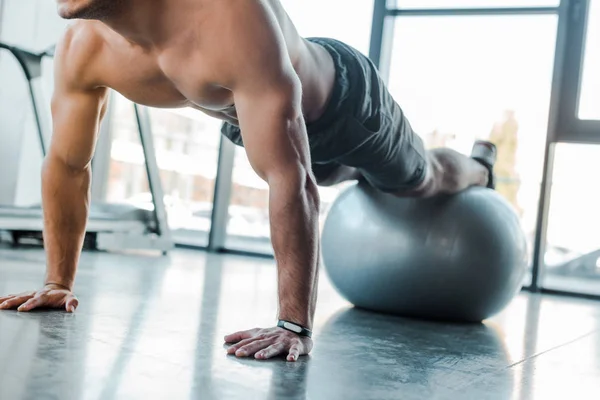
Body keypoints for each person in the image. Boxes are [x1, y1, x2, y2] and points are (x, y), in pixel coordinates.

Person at [0, 0, 496, 362]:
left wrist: (292, 325)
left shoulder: (230, 16)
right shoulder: (82, 49)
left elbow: (289, 179)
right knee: (329, 173)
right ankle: (359, 172)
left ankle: (480, 165)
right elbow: (68, 165)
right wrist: (56, 282)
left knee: (414, 180)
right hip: (256, 120)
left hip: (346, 104)